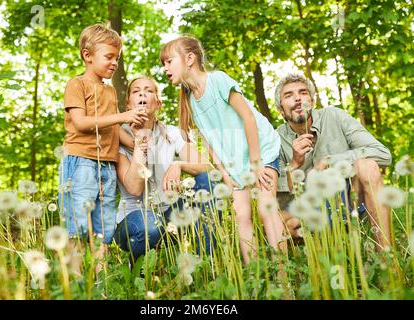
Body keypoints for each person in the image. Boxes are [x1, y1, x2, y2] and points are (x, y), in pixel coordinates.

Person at [160, 36, 286, 265]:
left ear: (190, 59)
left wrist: (256, 164)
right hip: (235, 162)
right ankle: (255, 277)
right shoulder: (190, 100)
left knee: (266, 209)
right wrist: (224, 173)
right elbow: (209, 141)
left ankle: (284, 279)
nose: (165, 68)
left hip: (260, 150)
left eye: (169, 61)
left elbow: (247, 117)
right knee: (241, 216)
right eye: (164, 64)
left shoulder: (218, 80)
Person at [58, 23, 147, 273]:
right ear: (88, 56)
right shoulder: (77, 85)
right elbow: (81, 123)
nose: (114, 62)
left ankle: (102, 286)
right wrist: (123, 116)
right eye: (109, 56)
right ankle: (75, 284)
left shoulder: (109, 91)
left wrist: (137, 143)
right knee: (76, 229)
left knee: (103, 231)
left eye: (117, 58)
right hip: (81, 164)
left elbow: (114, 129)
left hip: (107, 166)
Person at [274, 72, 392, 249]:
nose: (298, 98)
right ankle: (304, 270)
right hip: (308, 211)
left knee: (367, 165)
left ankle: (386, 258)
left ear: (312, 102)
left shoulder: (335, 116)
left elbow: (383, 154)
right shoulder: (276, 138)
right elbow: (276, 195)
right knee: (281, 222)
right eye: (289, 95)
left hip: (348, 201)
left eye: (303, 92)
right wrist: (295, 164)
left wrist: (331, 161)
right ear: (281, 110)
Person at [114, 75, 220, 263]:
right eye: (136, 91)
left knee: (207, 181)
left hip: (170, 215)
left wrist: (179, 164)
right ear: (128, 105)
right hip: (134, 218)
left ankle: (205, 263)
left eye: (149, 90)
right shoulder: (118, 138)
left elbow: (208, 168)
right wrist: (139, 143)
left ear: (158, 103)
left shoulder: (172, 133)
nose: (142, 94)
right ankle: (139, 271)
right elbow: (134, 188)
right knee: (150, 227)